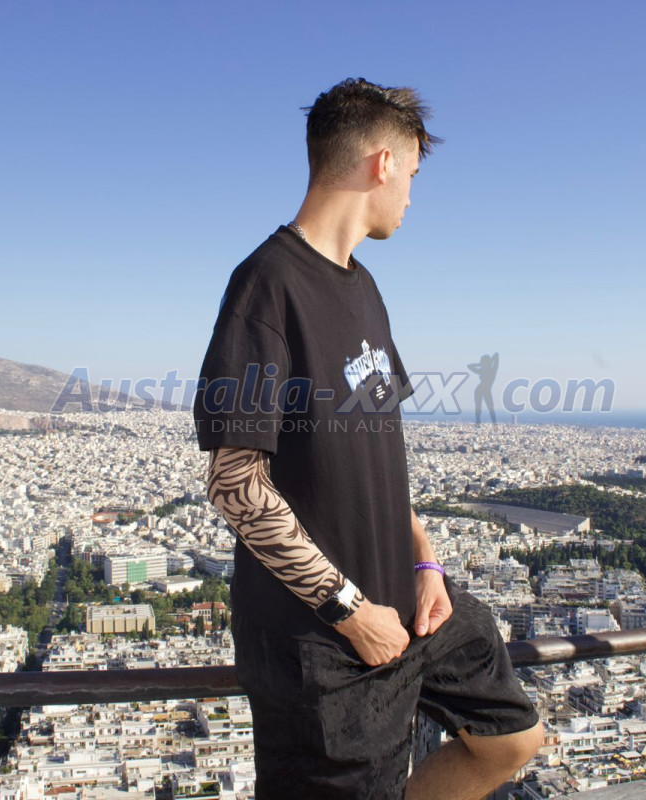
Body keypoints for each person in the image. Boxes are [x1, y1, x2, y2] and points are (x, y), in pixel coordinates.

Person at [193, 77, 542, 799]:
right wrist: (350, 613)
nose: (411, 196)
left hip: (405, 604)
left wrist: (425, 562)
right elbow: (235, 485)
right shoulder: (266, 286)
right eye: (411, 174)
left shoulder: (364, 288)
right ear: (382, 164)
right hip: (321, 643)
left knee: (512, 738)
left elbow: (375, 459)